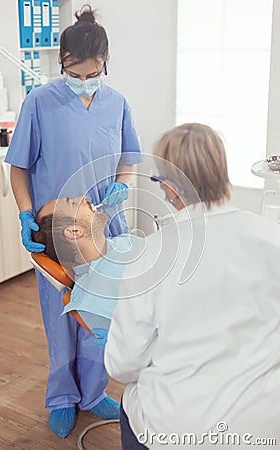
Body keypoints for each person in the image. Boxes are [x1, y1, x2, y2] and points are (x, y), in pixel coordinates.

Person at [5, 4, 142, 439]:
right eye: (74, 72)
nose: (83, 81)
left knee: (97, 316)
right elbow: (19, 166)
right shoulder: (39, 102)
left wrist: (122, 187)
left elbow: (128, 160)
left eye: (92, 73)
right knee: (60, 316)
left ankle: (94, 391)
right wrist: (26, 212)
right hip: (55, 232)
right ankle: (62, 396)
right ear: (62, 63)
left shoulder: (117, 103)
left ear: (105, 63)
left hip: (102, 229)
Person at [104, 123, 280, 449]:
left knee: (130, 403)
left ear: (170, 187)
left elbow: (121, 365)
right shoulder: (272, 238)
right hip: (265, 427)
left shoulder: (150, 256)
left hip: (178, 428)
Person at [32, 195, 143, 337]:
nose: (83, 198)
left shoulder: (123, 242)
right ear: (74, 232)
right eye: (72, 203)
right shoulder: (92, 300)